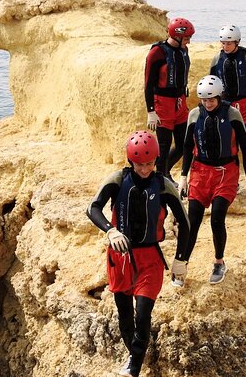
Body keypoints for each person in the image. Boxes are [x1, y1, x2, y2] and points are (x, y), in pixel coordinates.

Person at [86, 131, 190, 377]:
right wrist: (111, 232)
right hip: (119, 256)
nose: (145, 169)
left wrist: (180, 260)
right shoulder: (117, 180)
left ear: (156, 160)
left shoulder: (163, 185)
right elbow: (93, 208)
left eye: (150, 163)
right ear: (131, 162)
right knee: (125, 315)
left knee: (143, 312)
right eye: (140, 164)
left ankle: (134, 368)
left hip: (150, 259)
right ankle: (134, 353)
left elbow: (185, 223)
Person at [177, 75, 246, 284]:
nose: (208, 103)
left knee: (217, 216)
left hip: (226, 172)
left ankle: (219, 262)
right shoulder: (194, 115)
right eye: (204, 100)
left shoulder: (232, 114)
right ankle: (182, 263)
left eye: (211, 99)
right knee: (192, 219)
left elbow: (245, 144)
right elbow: (187, 147)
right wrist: (183, 177)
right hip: (200, 172)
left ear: (219, 96)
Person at [144, 17, 195, 183]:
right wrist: (151, 111)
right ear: (177, 35)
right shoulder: (157, 52)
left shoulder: (183, 50)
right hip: (162, 102)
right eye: (187, 37)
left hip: (180, 101)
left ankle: (164, 172)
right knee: (164, 145)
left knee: (183, 143)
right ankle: (162, 177)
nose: (189, 41)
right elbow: (148, 83)